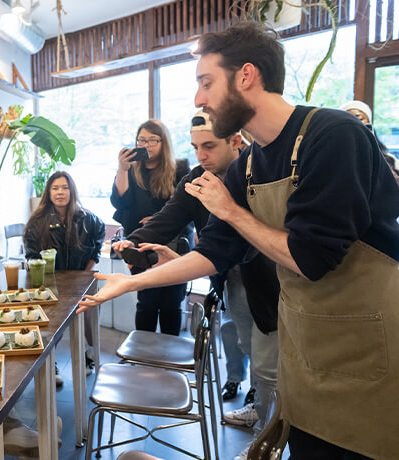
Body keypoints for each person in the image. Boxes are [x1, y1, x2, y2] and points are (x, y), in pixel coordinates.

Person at [79, 22, 399, 459]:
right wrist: (130, 283)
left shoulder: (333, 135)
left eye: (206, 82)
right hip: (306, 351)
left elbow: (311, 258)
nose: (199, 99)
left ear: (246, 75)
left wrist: (229, 209)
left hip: (372, 354)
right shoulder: (248, 165)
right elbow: (214, 250)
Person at [114, 111, 280, 457]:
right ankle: (262, 414)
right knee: (247, 348)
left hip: (266, 281)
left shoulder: (259, 170)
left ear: (236, 141)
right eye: (196, 147)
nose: (202, 155)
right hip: (228, 278)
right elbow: (168, 218)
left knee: (267, 364)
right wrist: (133, 241)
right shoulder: (197, 178)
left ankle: (268, 444)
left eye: (209, 146)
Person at [110, 119, 192, 335]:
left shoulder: (180, 168)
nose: (146, 145)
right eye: (141, 140)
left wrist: (157, 219)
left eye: (152, 140)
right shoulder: (132, 170)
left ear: (163, 142)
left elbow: (188, 209)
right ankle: (142, 357)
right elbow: (120, 202)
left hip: (175, 244)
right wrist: (122, 169)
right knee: (146, 302)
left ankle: (168, 359)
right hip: (140, 244)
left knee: (171, 304)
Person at [24, 171, 105, 381]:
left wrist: (84, 277)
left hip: (81, 281)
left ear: (72, 191)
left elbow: (96, 249)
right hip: (52, 284)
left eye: (65, 188)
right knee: (52, 324)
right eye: (55, 188)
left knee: (87, 311)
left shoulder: (90, 220)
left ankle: (89, 353)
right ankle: (51, 363)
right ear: (49, 192)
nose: (60, 192)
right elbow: (32, 257)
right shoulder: (37, 222)